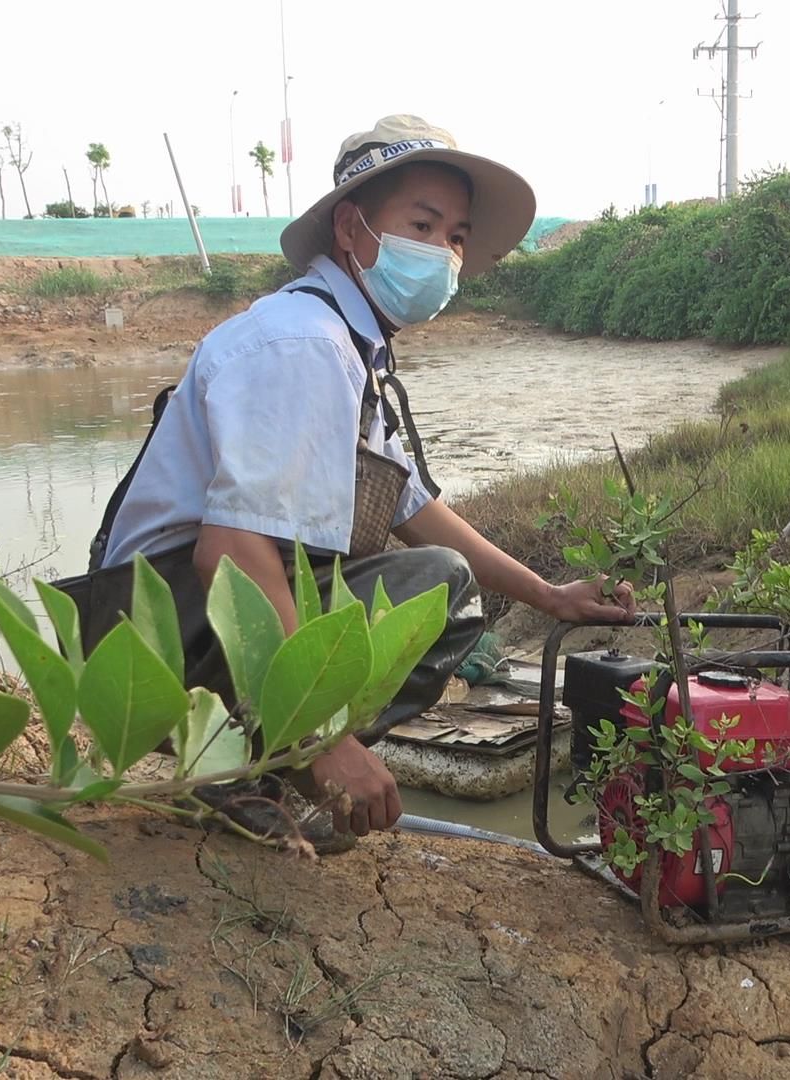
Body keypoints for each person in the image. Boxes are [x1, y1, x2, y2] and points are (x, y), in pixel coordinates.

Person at [58, 115, 633, 846]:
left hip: (175, 620)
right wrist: (324, 739)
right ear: (352, 229)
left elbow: (410, 504)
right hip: (158, 628)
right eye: (421, 225)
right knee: (439, 591)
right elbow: (228, 554)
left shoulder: (346, 343)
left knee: (434, 576)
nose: (444, 254)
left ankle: (253, 766)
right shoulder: (305, 345)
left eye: (455, 236)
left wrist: (549, 597)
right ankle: (260, 765)